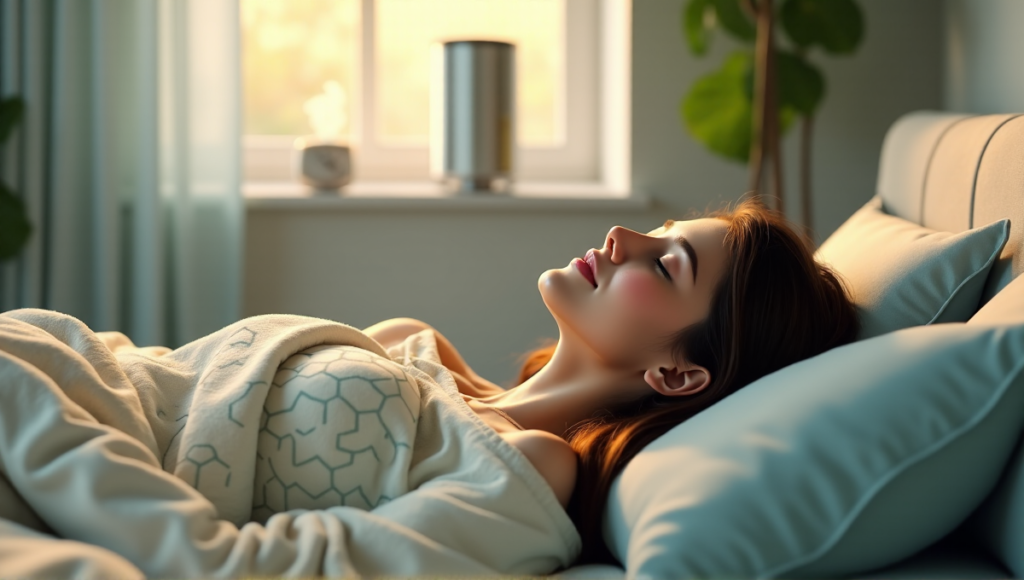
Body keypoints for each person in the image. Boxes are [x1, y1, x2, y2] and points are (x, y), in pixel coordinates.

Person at [362, 197, 859, 565]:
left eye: (665, 265)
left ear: (677, 374)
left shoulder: (529, 463)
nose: (621, 234)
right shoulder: (410, 340)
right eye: (658, 230)